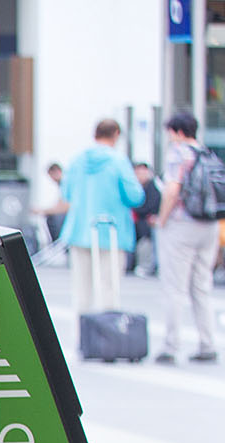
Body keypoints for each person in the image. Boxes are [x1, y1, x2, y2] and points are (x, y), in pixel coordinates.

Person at [57, 119, 143, 314]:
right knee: (109, 287)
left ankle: (82, 336)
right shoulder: (118, 161)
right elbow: (135, 196)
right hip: (112, 231)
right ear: (116, 134)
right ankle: (106, 336)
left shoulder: (77, 160)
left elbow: (66, 193)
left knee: (81, 290)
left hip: (80, 229)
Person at [155, 113, 220, 364]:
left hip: (182, 225)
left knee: (175, 287)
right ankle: (207, 343)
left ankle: (171, 345)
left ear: (178, 132)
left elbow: (172, 190)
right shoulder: (207, 153)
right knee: (202, 287)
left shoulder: (178, 153)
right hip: (209, 225)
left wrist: (162, 221)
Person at [129, 163, 160, 276]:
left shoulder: (152, 187)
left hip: (146, 222)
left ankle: (146, 266)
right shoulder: (133, 187)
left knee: (145, 240)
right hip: (135, 222)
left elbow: (151, 206)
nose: (140, 175)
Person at [32, 162, 68, 248]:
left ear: (57, 172)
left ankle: (60, 245)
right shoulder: (63, 184)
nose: (52, 180)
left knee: (54, 218)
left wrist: (42, 211)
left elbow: (63, 207)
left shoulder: (67, 183)